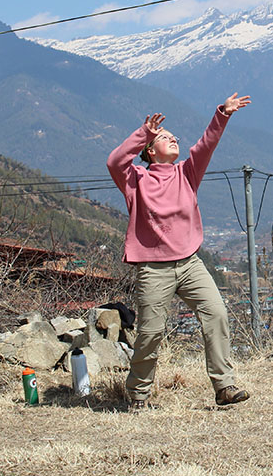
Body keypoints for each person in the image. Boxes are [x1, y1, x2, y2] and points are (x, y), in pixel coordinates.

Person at [106, 93, 252, 408]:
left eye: (174, 138)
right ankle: (138, 395)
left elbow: (206, 144)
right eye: (165, 138)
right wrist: (144, 132)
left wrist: (222, 114)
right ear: (149, 149)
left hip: (189, 263)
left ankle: (224, 386)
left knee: (216, 314)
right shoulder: (135, 180)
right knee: (151, 333)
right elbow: (115, 161)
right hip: (153, 269)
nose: (174, 140)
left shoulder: (187, 172)